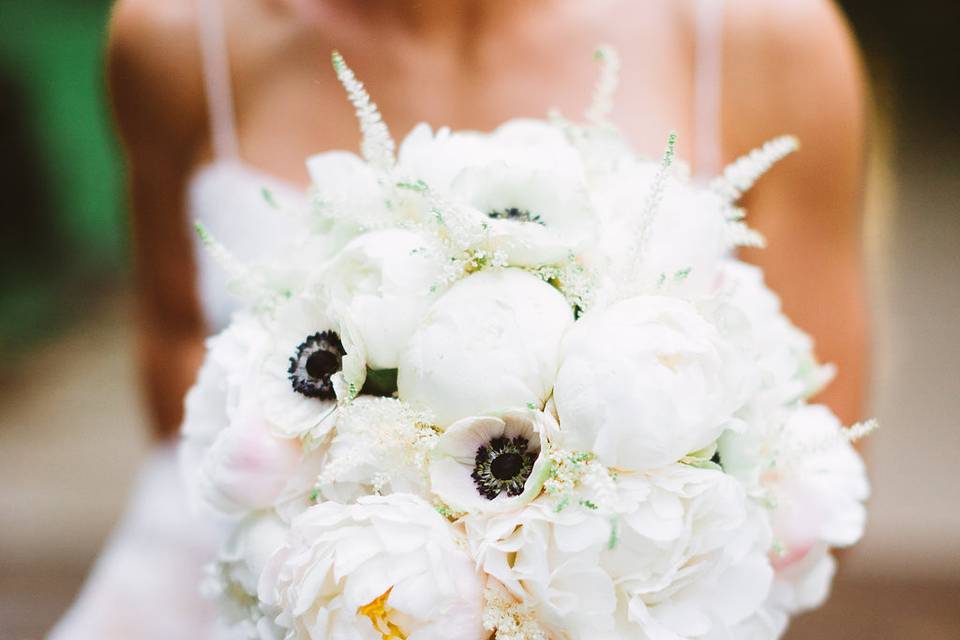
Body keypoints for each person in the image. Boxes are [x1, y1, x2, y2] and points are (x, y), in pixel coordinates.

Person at [50, 0, 868, 637]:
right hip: (268, 592)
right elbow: (177, 352)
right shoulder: (175, 37)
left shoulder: (769, 38)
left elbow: (807, 455)